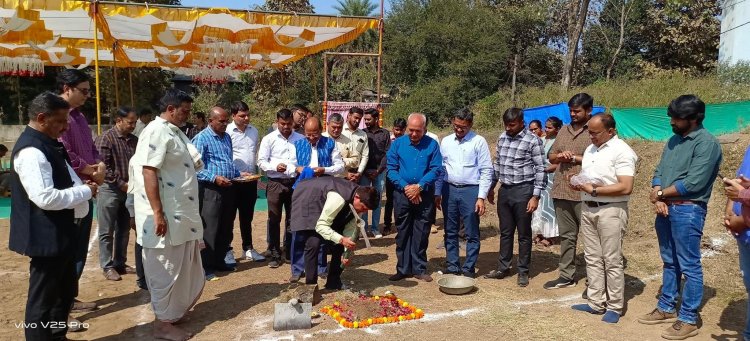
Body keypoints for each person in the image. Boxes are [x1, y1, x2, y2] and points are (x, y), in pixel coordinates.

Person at [9, 91, 97, 340]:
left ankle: (57, 336)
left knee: (63, 293)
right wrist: (85, 191)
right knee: (44, 299)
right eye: (60, 121)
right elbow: (45, 198)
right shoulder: (32, 152)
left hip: (62, 232)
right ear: (41, 118)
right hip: (46, 236)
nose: (66, 127)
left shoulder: (48, 144)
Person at [637, 95, 722, 340]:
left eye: (677, 118)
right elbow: (659, 171)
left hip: (688, 210)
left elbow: (695, 182)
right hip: (666, 208)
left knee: (689, 265)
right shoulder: (673, 140)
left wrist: (662, 194)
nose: (672, 121)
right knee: (669, 260)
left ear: (694, 119)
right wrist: (659, 194)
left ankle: (688, 318)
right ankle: (666, 307)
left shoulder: (707, 143)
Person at [129, 88, 205, 341]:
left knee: (180, 266)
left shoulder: (174, 132)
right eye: (184, 111)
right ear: (170, 109)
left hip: (180, 215)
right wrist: (158, 213)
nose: (187, 116)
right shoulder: (156, 132)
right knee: (165, 269)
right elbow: (148, 170)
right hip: (164, 218)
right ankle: (162, 323)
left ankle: (171, 314)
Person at [569, 114, 637, 324]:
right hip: (588, 208)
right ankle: (595, 302)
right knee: (592, 257)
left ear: (611, 131)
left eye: (595, 132)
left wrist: (596, 190)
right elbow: (589, 178)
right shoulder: (590, 150)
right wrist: (578, 183)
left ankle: (614, 306)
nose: (590, 136)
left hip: (611, 210)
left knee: (611, 259)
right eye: (589, 131)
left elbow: (626, 186)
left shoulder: (623, 151)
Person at [57, 69, 104, 316]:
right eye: (83, 91)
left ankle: (69, 297)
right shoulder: (58, 117)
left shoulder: (80, 118)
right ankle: (61, 304)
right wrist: (88, 169)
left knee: (78, 249)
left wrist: (98, 166)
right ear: (67, 88)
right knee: (68, 251)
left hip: (85, 190)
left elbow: (90, 147)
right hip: (69, 193)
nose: (87, 95)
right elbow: (63, 151)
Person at [484, 108, 545, 287]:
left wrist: (535, 196)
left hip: (524, 191)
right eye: (506, 125)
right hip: (506, 190)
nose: (508, 128)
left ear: (521, 122)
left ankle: (523, 271)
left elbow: (541, 169)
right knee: (506, 231)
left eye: (512, 125)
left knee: (524, 234)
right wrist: (491, 187)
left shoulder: (533, 141)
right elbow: (498, 164)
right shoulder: (502, 138)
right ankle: (503, 267)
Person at [543, 93, 595, 291]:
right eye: (571, 110)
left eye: (577, 111)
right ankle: (566, 275)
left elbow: (602, 158)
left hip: (586, 192)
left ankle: (594, 279)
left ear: (588, 110)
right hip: (562, 190)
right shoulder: (563, 130)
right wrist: (560, 155)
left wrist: (574, 158)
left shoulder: (595, 129)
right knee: (567, 236)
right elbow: (551, 156)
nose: (573, 114)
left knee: (591, 237)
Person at [434, 108, 492, 278]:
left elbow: (486, 170)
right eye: (456, 126)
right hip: (449, 189)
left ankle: (468, 268)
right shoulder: (446, 141)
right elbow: (441, 169)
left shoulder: (478, 142)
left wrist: (481, 197)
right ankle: (452, 265)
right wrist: (438, 192)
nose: (459, 130)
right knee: (450, 230)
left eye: (463, 127)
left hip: (471, 191)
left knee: (471, 231)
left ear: (470, 125)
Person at [290, 177, 379, 289]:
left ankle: (333, 282)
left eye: (367, 210)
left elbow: (349, 230)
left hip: (328, 202)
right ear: (357, 198)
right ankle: (311, 285)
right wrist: (341, 239)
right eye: (363, 208)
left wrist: (346, 252)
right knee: (313, 243)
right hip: (309, 198)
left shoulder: (359, 203)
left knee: (340, 244)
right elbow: (321, 226)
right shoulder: (338, 199)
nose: (364, 211)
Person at [193, 107, 247, 280]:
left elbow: (226, 162)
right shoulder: (202, 138)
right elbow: (194, 168)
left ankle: (219, 261)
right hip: (211, 189)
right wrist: (214, 178)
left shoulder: (227, 137)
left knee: (226, 226)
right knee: (210, 228)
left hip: (228, 187)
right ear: (210, 121)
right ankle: (206, 267)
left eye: (226, 121)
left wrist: (238, 174)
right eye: (221, 121)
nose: (225, 124)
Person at [386, 113, 442, 282]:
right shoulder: (398, 145)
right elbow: (391, 169)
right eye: (411, 130)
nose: (414, 134)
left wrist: (419, 187)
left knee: (421, 231)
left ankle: (419, 268)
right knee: (402, 231)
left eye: (418, 131)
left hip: (424, 195)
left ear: (425, 129)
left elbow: (436, 169)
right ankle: (402, 268)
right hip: (402, 194)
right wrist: (406, 187)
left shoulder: (432, 145)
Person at [288, 117, 344, 282]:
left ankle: (321, 267)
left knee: (321, 229)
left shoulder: (330, 144)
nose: (311, 138)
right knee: (299, 230)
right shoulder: (297, 144)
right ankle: (297, 269)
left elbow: (340, 166)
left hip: (322, 192)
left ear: (321, 130)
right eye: (308, 134)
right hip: (302, 192)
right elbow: (289, 166)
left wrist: (324, 169)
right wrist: (297, 168)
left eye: (315, 134)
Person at [94, 106, 138, 281]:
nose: (133, 125)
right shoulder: (105, 139)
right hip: (110, 190)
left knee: (124, 228)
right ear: (119, 120)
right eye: (130, 122)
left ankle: (120, 262)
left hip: (128, 189)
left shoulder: (134, 140)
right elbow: (104, 167)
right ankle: (107, 265)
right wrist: (122, 184)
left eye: (134, 122)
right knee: (106, 230)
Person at [258, 108, 304, 267]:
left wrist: (294, 168)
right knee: (274, 219)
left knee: (293, 219)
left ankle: (290, 251)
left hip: (294, 183)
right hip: (275, 183)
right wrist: (275, 166)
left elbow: (303, 161)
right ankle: (275, 253)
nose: (286, 127)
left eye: (289, 124)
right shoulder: (268, 139)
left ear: (293, 122)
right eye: (282, 124)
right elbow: (261, 162)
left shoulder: (300, 139)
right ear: (277, 122)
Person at [227, 101, 265, 262]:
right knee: (228, 217)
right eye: (242, 116)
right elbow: (224, 157)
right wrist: (236, 172)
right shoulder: (227, 131)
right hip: (232, 181)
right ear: (233, 115)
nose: (246, 118)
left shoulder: (254, 131)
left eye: (248, 114)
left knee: (247, 217)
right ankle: (227, 250)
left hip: (250, 181)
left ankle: (247, 248)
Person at [722, 151, 750, 341]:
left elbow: (741, 191)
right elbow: (737, 184)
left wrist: (743, 194)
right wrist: (729, 215)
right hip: (745, 237)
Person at [531, 116, 563, 247]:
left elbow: (561, 162)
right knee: (538, 205)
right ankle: (539, 232)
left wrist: (552, 168)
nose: (546, 129)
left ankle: (551, 235)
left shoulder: (560, 142)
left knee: (549, 206)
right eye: (546, 127)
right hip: (539, 176)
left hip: (552, 177)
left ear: (558, 129)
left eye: (550, 127)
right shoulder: (541, 140)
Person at [360, 107, 391, 238]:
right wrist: (365, 170)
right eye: (365, 119)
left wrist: (378, 171)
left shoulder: (385, 134)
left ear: (376, 119)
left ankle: (375, 228)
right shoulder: (361, 133)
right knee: (364, 200)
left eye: (368, 119)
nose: (366, 122)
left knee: (377, 199)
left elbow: (387, 154)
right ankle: (364, 228)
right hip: (364, 172)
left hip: (380, 172)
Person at [383, 118, 407, 234]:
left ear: (404, 130)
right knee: (390, 200)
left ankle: (400, 224)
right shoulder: (389, 140)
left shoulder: (407, 142)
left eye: (401, 130)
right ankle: (387, 225)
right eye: (396, 129)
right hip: (390, 174)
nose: (398, 132)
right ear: (393, 128)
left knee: (401, 200)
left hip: (402, 176)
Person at [324, 113, 359, 177]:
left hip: (342, 180)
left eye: (339, 127)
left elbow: (356, 160)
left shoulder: (348, 141)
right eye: (334, 127)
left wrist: (342, 161)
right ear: (327, 124)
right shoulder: (320, 139)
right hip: (324, 179)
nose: (336, 130)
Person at [342, 107, 369, 183]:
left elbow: (365, 155)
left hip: (356, 175)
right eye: (356, 118)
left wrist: (359, 173)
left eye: (360, 119)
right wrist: (344, 173)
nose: (357, 121)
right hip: (341, 173)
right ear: (349, 116)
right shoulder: (339, 132)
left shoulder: (363, 135)